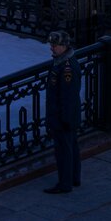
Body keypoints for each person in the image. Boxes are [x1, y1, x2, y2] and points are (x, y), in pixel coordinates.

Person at [43, 30, 81, 194]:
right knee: (70, 146)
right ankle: (73, 178)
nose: (51, 48)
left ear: (64, 46)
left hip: (63, 117)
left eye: (55, 45)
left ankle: (65, 183)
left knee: (64, 150)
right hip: (64, 116)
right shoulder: (61, 62)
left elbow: (68, 96)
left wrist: (64, 119)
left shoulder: (66, 68)